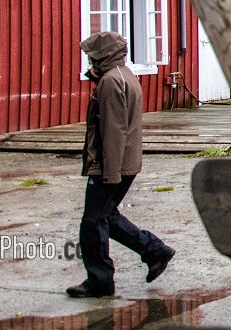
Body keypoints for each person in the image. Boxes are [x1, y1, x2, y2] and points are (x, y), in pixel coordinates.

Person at [68, 31, 175, 298]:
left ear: (102, 55)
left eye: (92, 55)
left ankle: (100, 281)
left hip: (111, 165)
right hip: (123, 162)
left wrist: (109, 172)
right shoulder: (124, 76)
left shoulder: (111, 82)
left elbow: (114, 130)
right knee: (107, 216)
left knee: (92, 223)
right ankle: (154, 251)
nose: (89, 59)